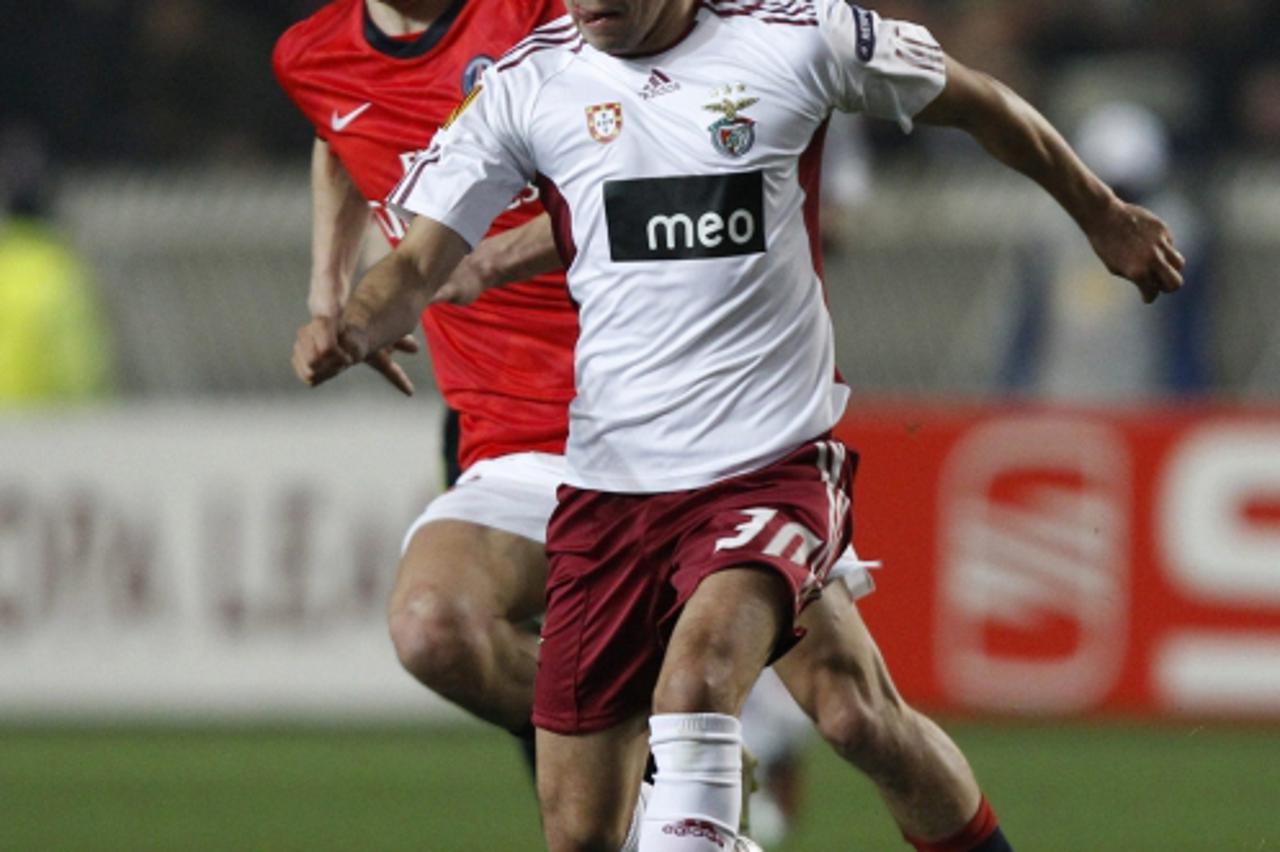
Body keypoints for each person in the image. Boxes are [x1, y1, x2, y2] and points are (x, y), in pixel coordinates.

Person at [294, 1, 1183, 850]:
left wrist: (1100, 213)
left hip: (766, 466)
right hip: (609, 489)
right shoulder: (531, 82)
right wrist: (353, 322)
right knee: (624, 809)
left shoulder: (802, 40)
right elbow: (413, 258)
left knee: (696, 683)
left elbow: (977, 99)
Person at [273, 0, 574, 757]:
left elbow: (644, 163)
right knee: (450, 637)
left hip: (657, 407)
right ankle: (650, 750)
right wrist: (330, 291)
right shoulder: (311, 55)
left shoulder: (542, 18)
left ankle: (669, 753)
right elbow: (339, 134)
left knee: (843, 701)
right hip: (501, 428)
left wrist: (489, 261)